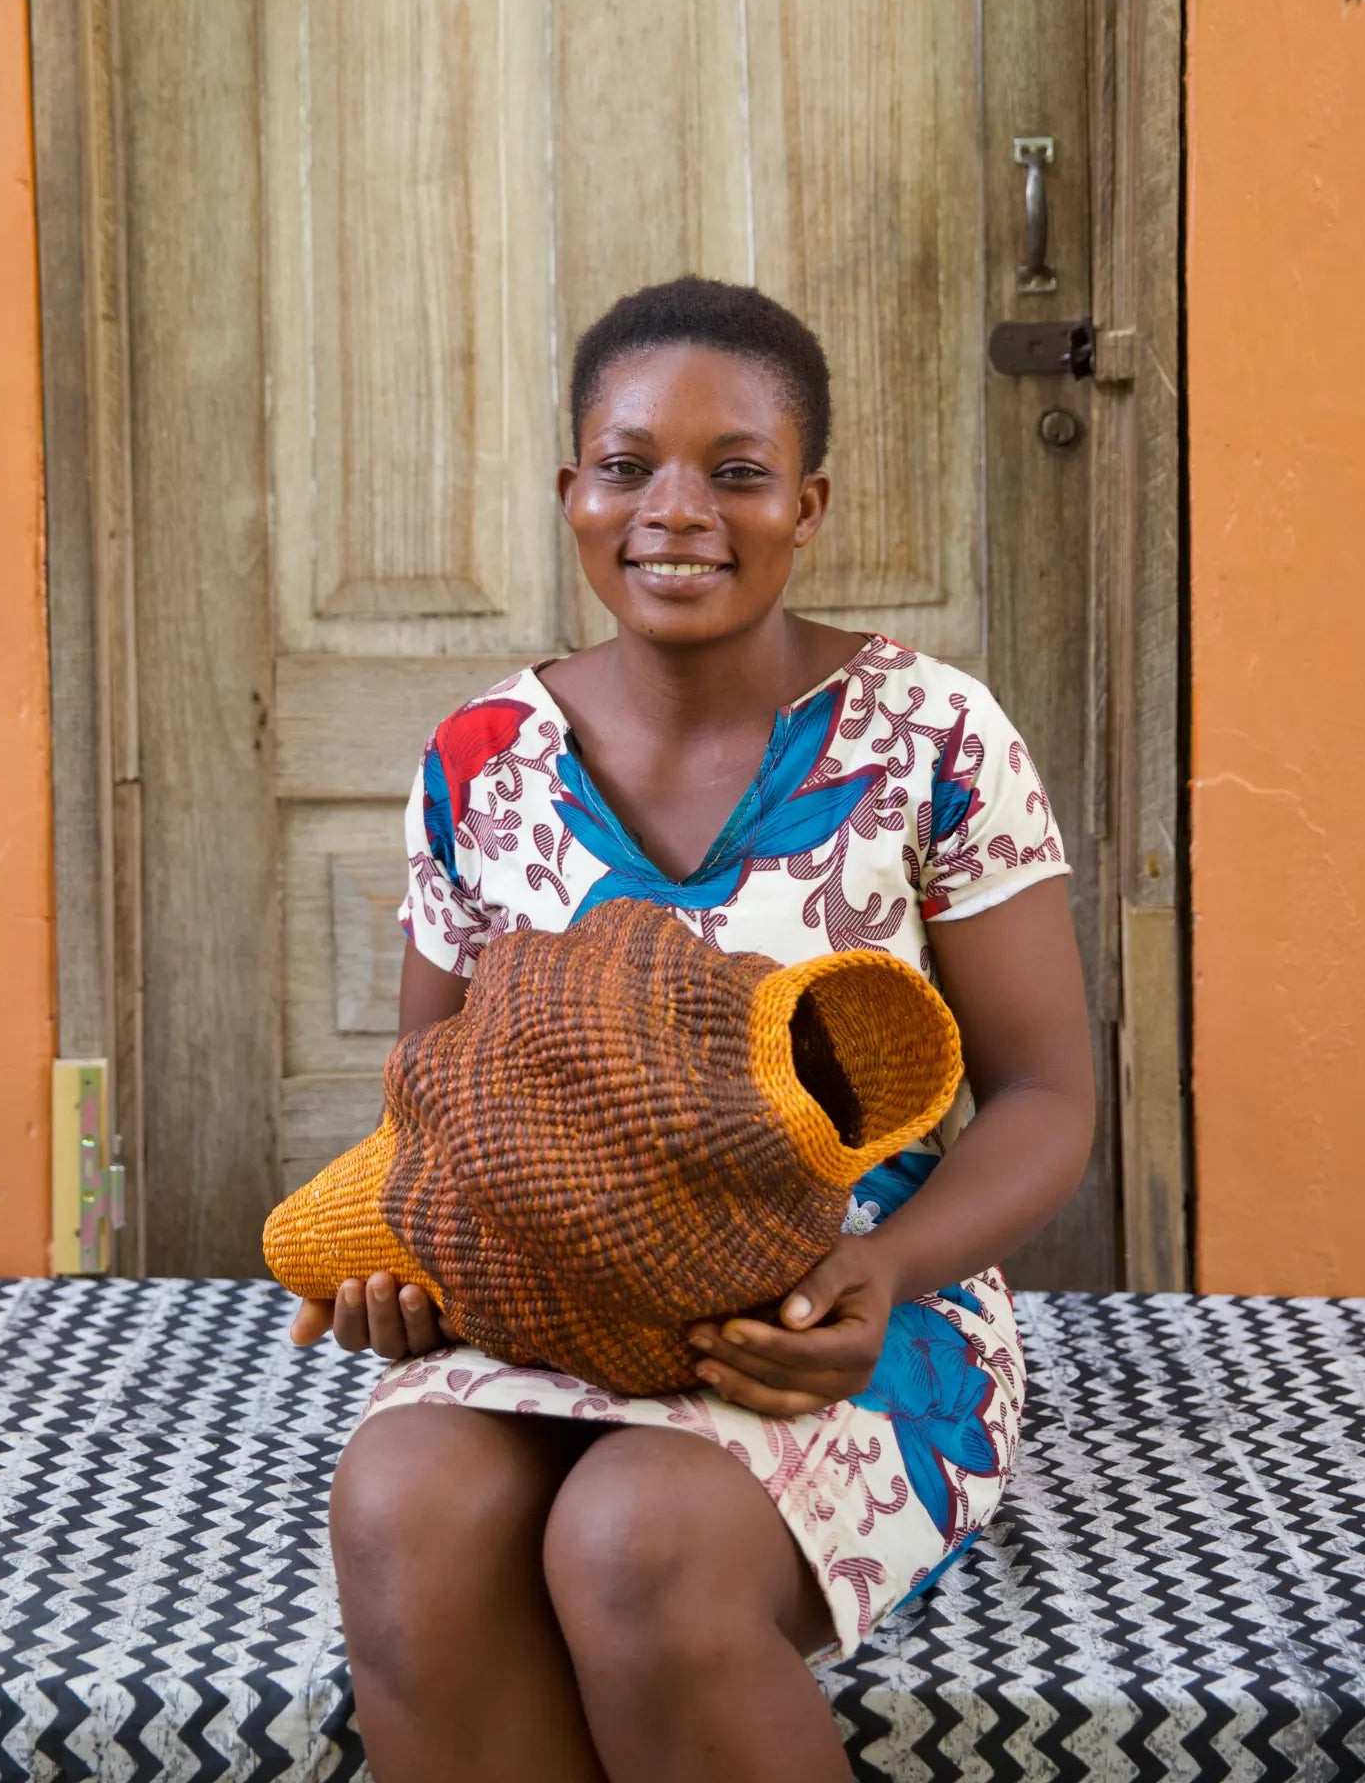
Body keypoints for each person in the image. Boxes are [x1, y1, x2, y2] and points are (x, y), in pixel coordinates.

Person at [289, 276, 1096, 1783]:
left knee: (634, 1539)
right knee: (404, 1500)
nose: (677, 510)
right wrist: (405, 1264)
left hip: (834, 1313)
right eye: (627, 464)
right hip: (542, 1296)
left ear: (809, 502)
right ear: (570, 493)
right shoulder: (484, 761)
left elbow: (1048, 1094)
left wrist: (880, 1271)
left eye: (736, 472)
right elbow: (432, 1102)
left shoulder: (930, 738)